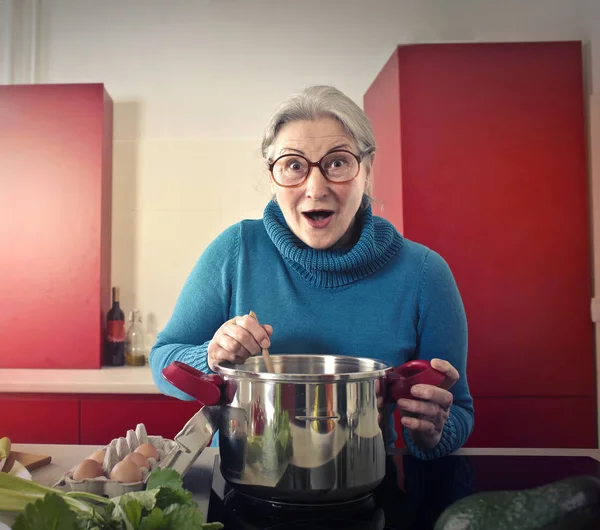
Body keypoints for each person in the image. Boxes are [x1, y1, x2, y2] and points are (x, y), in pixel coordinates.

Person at [149, 85, 474, 460]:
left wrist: (433, 432)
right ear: (272, 177)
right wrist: (211, 355)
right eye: (293, 165)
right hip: (244, 479)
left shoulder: (423, 274)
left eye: (337, 162)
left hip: (367, 488)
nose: (315, 189)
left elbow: (459, 410)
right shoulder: (236, 250)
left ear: (366, 170)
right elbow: (163, 362)